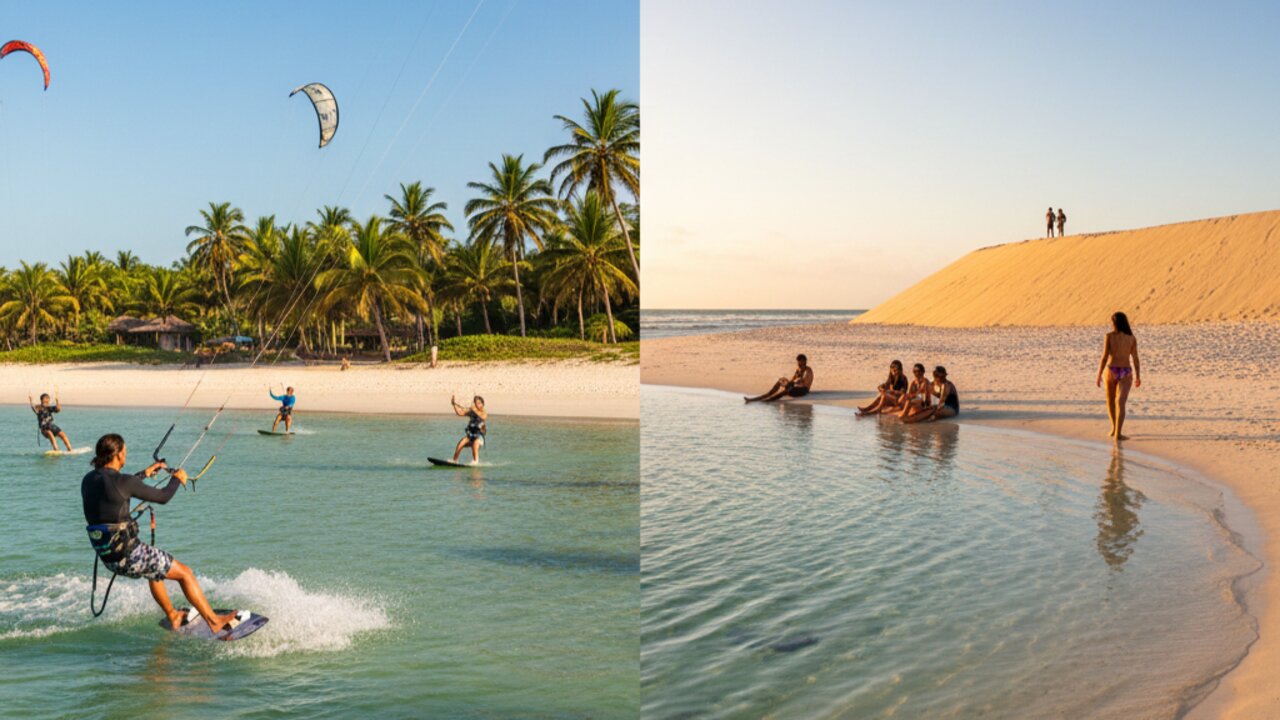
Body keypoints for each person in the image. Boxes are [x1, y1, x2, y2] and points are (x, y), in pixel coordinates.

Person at [82, 433, 236, 634]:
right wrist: (176, 480)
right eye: (125, 452)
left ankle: (173, 615)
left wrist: (144, 474)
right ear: (118, 455)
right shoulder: (124, 482)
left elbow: (115, 487)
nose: (125, 456)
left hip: (109, 558)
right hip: (129, 556)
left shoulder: (88, 480)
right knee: (185, 573)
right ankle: (214, 621)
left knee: (154, 570)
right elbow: (163, 497)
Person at [1096, 311, 1141, 441]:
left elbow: (1105, 357)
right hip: (1122, 370)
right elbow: (1135, 359)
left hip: (1114, 370)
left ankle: (1116, 432)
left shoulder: (1115, 337)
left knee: (1115, 401)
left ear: (1115, 323)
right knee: (1116, 401)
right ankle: (1116, 430)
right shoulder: (1129, 338)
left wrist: (1099, 374)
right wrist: (1138, 375)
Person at [744, 354, 814, 403]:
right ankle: (765, 395)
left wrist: (793, 382)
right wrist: (786, 383)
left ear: (805, 361)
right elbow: (793, 380)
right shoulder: (798, 369)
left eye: (801, 362)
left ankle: (768, 400)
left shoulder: (808, 370)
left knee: (787, 389)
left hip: (803, 390)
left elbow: (801, 381)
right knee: (781, 379)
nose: (799, 364)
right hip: (794, 387)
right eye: (798, 362)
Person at [451, 395, 488, 464]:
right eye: (476, 403)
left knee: (475, 444)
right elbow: (460, 413)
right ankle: (454, 460)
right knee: (460, 443)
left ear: (483, 404)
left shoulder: (484, 412)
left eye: (479, 403)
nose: (477, 405)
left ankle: (475, 462)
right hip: (470, 435)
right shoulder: (472, 411)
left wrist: (473, 410)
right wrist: (454, 405)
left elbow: (483, 417)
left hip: (479, 437)